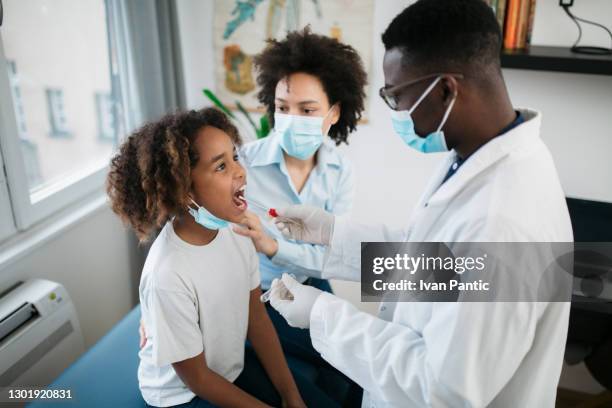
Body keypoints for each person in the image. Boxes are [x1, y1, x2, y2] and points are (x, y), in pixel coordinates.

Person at [266, 0, 573, 406]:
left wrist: (322, 314)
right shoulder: (475, 157)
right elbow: (441, 270)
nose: (397, 112)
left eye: (397, 97)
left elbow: (444, 390)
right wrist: (331, 234)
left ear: (446, 89)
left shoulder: (501, 223)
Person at [107, 108, 336, 407]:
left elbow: (257, 317)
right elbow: (198, 379)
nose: (240, 171)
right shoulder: (168, 274)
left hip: (228, 368)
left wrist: (291, 395)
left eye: (235, 158)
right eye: (220, 167)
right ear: (182, 189)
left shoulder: (237, 233)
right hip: (183, 395)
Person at [231, 27, 367, 405]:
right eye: (282, 107)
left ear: (334, 113)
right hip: (257, 295)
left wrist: (277, 247)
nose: (292, 119)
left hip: (312, 281)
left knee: (358, 375)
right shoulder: (243, 165)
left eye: (307, 110)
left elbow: (333, 256)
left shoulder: (340, 172)